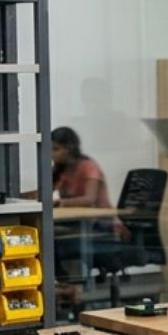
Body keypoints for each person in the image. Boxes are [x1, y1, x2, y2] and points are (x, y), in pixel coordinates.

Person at [48, 126, 114, 315]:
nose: (52, 154)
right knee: (46, 237)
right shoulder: (60, 170)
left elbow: (89, 199)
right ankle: (66, 285)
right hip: (75, 224)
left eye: (55, 149)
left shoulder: (88, 166)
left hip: (101, 226)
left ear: (68, 148)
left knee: (53, 239)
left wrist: (61, 202)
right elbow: (44, 192)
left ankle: (70, 286)